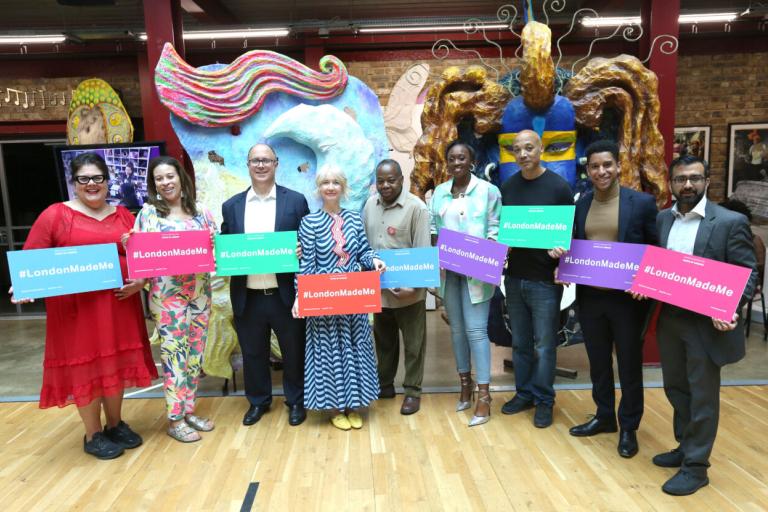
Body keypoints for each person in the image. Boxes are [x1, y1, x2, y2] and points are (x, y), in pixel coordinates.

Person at [9, 152, 157, 460]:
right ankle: (93, 434)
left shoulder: (123, 215)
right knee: (86, 368)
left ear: (107, 181)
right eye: (84, 179)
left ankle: (115, 425)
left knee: (115, 364)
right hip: (78, 313)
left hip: (119, 308)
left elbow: (142, 259)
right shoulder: (55, 215)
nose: (92, 184)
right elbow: (32, 261)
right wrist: (22, 287)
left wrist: (140, 283)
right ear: (74, 183)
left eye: (98, 178)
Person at [649, 155, 757, 495]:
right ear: (671, 184)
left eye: (695, 178)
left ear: (707, 181)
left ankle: (696, 466)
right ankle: (685, 445)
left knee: (702, 395)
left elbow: (747, 270)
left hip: (706, 323)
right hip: (670, 318)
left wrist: (733, 306)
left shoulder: (729, 221)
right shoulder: (662, 219)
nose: (688, 185)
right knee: (675, 388)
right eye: (680, 179)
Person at [550, 140, 658, 458]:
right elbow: (577, 247)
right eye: (595, 166)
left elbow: (655, 249)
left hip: (627, 301)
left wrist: (647, 281)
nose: (602, 171)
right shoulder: (581, 204)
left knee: (628, 365)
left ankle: (629, 427)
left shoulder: (641, 203)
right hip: (591, 298)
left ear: (618, 166)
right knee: (598, 363)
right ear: (588, 170)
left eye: (607, 165)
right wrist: (562, 258)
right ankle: (604, 417)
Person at [221, 143, 309, 427]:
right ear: (248, 164)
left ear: (276, 164)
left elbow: (308, 244)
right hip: (248, 295)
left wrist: (301, 250)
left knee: (293, 351)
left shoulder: (295, 201)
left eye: (266, 160)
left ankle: (296, 400)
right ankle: (258, 402)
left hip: (285, 295)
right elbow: (227, 249)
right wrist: (220, 250)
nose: (261, 165)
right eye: (255, 160)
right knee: (253, 352)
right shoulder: (231, 206)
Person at [130, 156, 217, 443]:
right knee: (174, 356)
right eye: (159, 178)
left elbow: (215, 250)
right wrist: (128, 244)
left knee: (193, 357)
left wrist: (216, 246)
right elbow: (139, 258)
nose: (166, 182)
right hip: (167, 299)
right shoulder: (148, 215)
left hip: (200, 295)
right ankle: (175, 419)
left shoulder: (201, 212)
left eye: (170, 176)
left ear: (181, 178)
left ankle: (188, 410)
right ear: (153, 184)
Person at [293, 166, 385, 430]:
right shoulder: (309, 223)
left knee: (356, 352)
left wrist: (374, 260)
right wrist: (301, 297)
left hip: (353, 298)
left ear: (343, 187)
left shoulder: (355, 219)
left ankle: (354, 405)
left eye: (335, 182)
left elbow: (363, 253)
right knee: (328, 353)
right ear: (318, 189)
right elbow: (306, 265)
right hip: (323, 299)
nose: (330, 187)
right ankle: (334, 408)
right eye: (325, 183)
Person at [500, 130, 573, 428]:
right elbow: (504, 230)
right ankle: (524, 392)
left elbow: (570, 234)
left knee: (544, 344)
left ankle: (544, 400)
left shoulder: (558, 187)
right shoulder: (508, 187)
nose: (523, 154)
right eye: (517, 150)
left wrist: (564, 258)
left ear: (541, 149)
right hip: (515, 278)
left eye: (529, 148)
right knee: (520, 343)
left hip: (545, 281)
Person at [430, 140, 501, 427]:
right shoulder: (439, 193)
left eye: (462, 158)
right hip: (451, 275)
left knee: (475, 331)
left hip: (478, 275)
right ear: (447, 163)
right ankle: (465, 385)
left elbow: (496, 230)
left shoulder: (488, 191)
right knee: (457, 331)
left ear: (471, 161)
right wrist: (439, 254)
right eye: (452, 159)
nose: (457, 162)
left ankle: (484, 395)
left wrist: (484, 257)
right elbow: (435, 229)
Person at [363, 159, 430, 415]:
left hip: (409, 293)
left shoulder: (417, 208)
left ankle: (413, 391)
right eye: (381, 180)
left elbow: (423, 251)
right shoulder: (370, 205)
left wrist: (413, 287)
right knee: (384, 341)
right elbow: (367, 246)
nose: (386, 185)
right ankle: (385, 384)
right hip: (380, 291)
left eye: (391, 180)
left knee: (414, 345)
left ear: (401, 179)